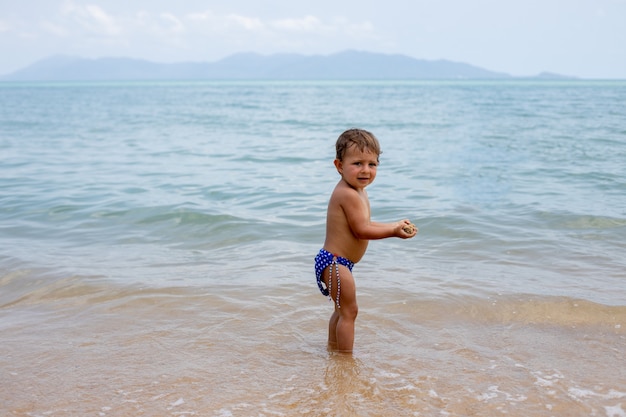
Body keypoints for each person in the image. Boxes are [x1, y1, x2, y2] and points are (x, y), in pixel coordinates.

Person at [314, 128, 417, 354]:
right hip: (335, 263)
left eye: (372, 164)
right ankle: (345, 360)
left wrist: (395, 224)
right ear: (339, 166)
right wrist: (393, 231)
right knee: (349, 312)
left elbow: (367, 222)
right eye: (357, 163)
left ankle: (333, 351)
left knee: (341, 311)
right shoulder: (348, 194)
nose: (365, 170)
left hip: (335, 262)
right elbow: (362, 230)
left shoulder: (358, 191)